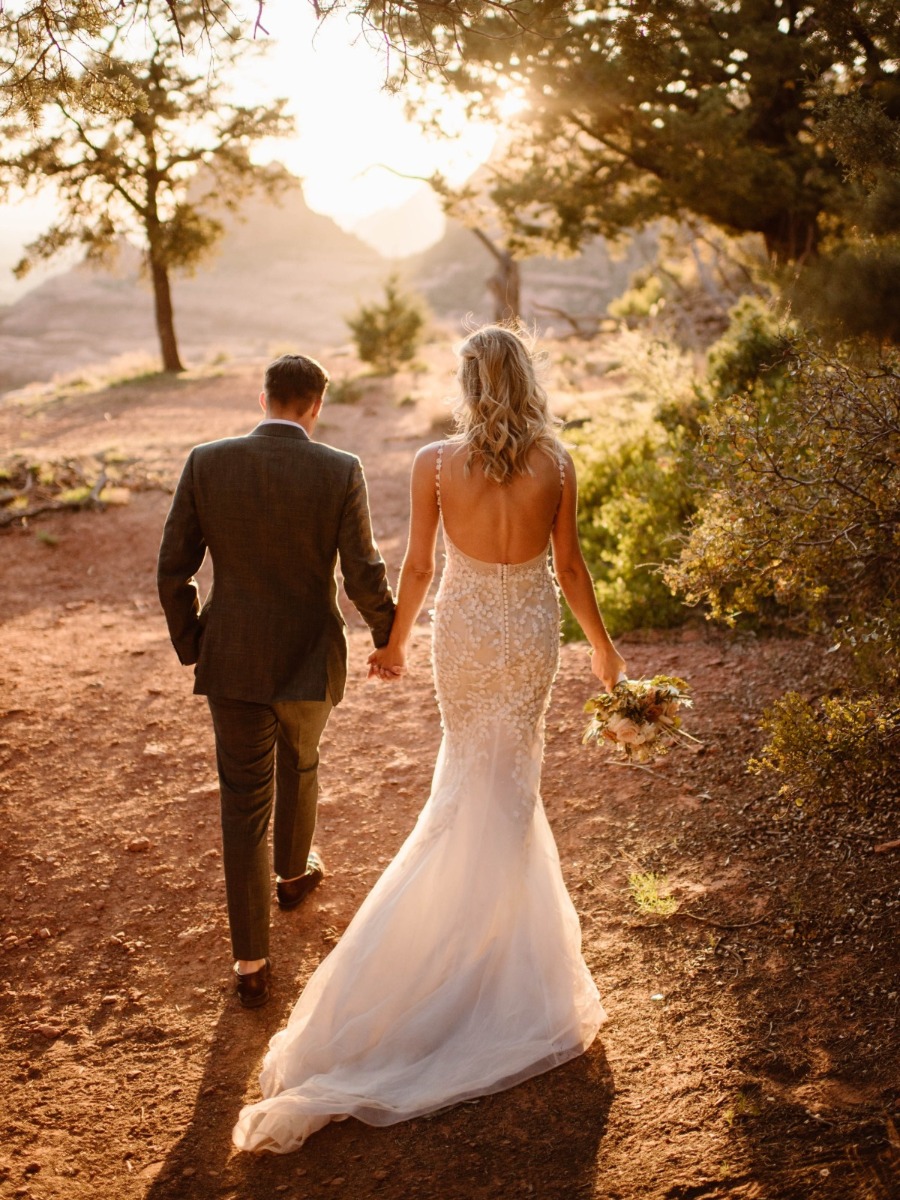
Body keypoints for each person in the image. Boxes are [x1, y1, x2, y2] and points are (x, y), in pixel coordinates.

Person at [232, 325, 625, 1152]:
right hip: (525, 630)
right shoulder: (556, 460)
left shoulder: (434, 463)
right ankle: (497, 965)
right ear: (524, 379)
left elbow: (416, 566)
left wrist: (397, 641)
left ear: (469, 382)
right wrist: (602, 645)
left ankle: (458, 958)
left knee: (466, 785)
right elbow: (572, 567)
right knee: (509, 786)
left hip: (466, 631)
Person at [157, 354, 395, 1008]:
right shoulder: (341, 470)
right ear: (317, 405)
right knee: (302, 762)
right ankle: (293, 875)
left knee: (242, 801)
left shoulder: (206, 461)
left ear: (262, 398)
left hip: (230, 656)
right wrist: (388, 635)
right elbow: (362, 572)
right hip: (310, 655)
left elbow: (172, 569)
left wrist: (195, 642)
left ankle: (250, 962)